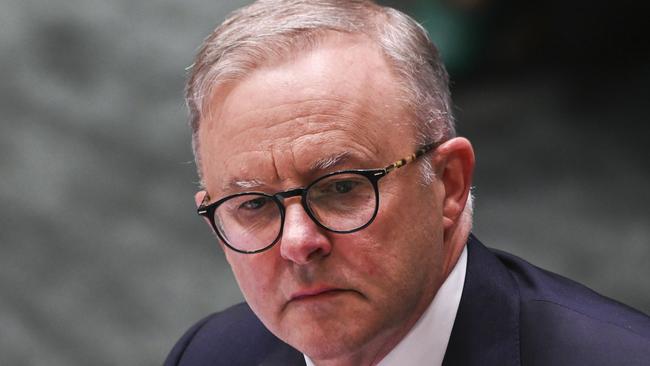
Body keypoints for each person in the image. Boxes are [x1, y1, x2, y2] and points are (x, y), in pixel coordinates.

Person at [164, 1, 650, 365]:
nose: (298, 243)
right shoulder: (208, 356)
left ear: (449, 183)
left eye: (340, 187)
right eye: (252, 205)